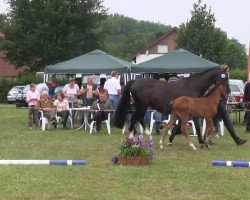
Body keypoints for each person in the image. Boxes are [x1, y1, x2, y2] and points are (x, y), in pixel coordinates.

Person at [169, 78, 247, 146]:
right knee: (221, 119)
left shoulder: (216, 83)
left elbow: (223, 92)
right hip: (204, 103)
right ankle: (205, 139)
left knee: (213, 119)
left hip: (208, 102)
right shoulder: (214, 83)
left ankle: (205, 139)